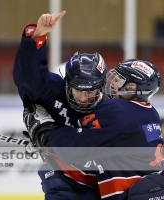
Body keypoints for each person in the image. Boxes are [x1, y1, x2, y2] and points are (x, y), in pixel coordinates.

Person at [13, 11, 107, 199]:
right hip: (62, 180)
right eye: (77, 89)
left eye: (89, 91)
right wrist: (38, 35)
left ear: (101, 87)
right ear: (67, 82)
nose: (82, 97)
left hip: (99, 182)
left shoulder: (111, 109)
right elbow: (29, 77)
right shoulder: (54, 90)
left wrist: (46, 136)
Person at [43, 58, 164, 200]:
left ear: (132, 87)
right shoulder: (150, 113)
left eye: (118, 80)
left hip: (132, 194)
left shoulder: (118, 110)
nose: (112, 84)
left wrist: (46, 132)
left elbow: (72, 146)